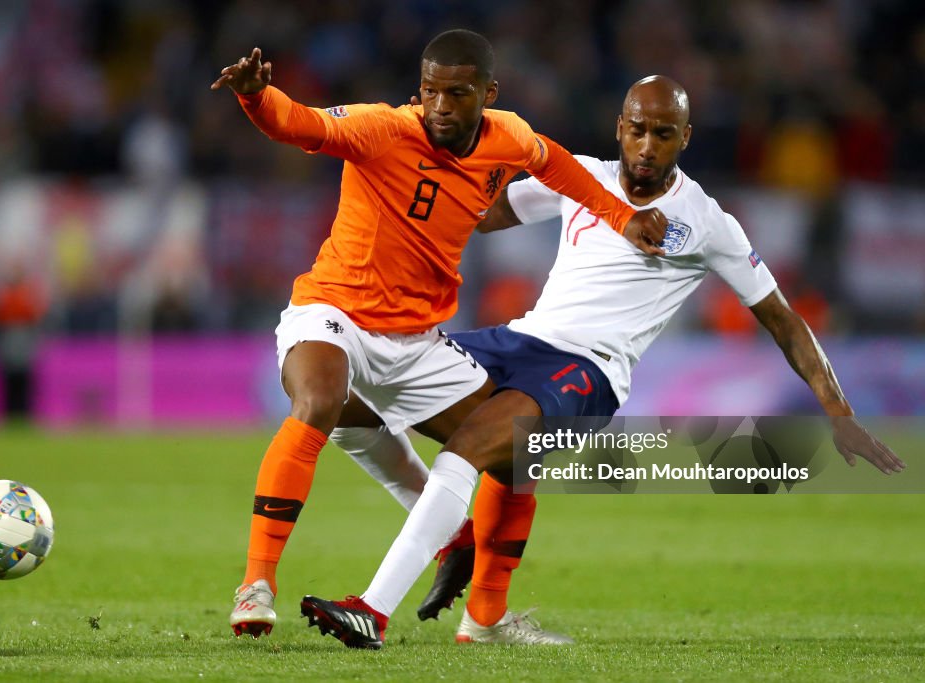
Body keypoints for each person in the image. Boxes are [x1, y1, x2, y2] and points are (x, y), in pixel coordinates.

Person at [303, 75, 906, 649]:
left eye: (663, 134)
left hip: (588, 370)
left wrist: (838, 409)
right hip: (518, 341)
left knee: (479, 444)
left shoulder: (707, 221)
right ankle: (478, 600)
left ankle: (372, 611)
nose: (647, 146)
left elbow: (783, 318)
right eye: (638, 129)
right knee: (354, 401)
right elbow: (481, 215)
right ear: (619, 127)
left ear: (685, 137)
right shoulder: (580, 178)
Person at [209, 30, 669, 638]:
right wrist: (257, 98)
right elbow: (304, 126)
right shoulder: (382, 128)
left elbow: (558, 167)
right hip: (333, 314)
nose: (442, 106)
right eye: (431, 92)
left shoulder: (508, 136)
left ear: (488, 94)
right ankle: (257, 584)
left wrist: (624, 217)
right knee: (320, 402)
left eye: (457, 93)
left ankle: (483, 605)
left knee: (515, 455)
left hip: (417, 342)